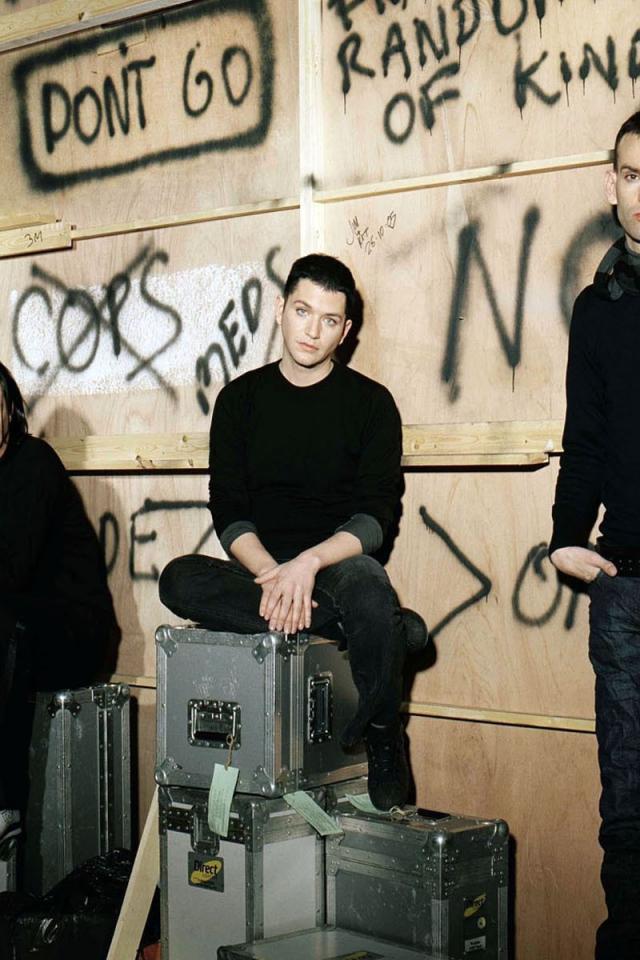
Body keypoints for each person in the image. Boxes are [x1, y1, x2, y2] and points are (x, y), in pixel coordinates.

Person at [159, 253, 427, 810]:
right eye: (303, 311)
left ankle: (383, 735)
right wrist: (274, 575)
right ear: (280, 309)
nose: (312, 330)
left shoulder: (372, 404)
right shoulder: (240, 400)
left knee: (369, 584)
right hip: (260, 574)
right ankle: (381, 631)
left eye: (329, 320)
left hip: (334, 569)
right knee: (178, 579)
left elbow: (375, 519)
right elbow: (229, 509)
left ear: (345, 331)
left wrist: (307, 565)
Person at [549, 112, 640, 959]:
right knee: (630, 813)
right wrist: (564, 536)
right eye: (634, 175)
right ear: (612, 183)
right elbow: (585, 441)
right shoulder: (599, 307)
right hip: (627, 590)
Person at [0, 363, 118, 853]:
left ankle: (4, 805)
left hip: (74, 633)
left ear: (9, 410)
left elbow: (10, 572)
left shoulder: (33, 463)